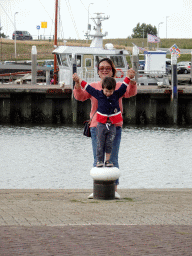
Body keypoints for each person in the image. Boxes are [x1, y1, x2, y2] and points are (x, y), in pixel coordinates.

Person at [73, 58, 137, 199]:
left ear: (113, 70)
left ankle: (113, 190)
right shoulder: (94, 86)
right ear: (98, 71)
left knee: (113, 157)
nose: (104, 70)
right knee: (98, 157)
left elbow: (130, 92)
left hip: (115, 126)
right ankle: (97, 189)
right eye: (101, 68)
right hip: (97, 126)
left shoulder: (119, 86)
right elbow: (80, 96)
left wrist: (131, 80)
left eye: (107, 67)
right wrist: (77, 84)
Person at [73, 74, 132, 169]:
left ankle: (107, 160)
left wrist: (128, 77)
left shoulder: (117, 94)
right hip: (100, 123)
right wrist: (79, 80)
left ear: (114, 89)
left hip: (112, 124)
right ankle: (99, 160)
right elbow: (87, 87)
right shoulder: (98, 94)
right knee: (100, 143)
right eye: (106, 91)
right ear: (102, 88)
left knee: (110, 143)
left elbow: (124, 85)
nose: (108, 93)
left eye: (110, 91)